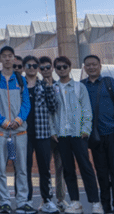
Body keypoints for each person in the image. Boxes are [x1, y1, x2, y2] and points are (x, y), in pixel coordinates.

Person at [51, 56, 102, 214]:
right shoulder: (53, 88)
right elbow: (51, 112)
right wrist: (53, 131)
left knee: (86, 167)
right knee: (68, 170)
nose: (62, 69)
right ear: (55, 69)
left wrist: (86, 129)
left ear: (69, 67)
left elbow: (87, 109)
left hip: (78, 134)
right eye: (58, 67)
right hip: (62, 135)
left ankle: (95, 203)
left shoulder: (80, 87)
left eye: (64, 66)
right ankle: (75, 203)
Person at [0, 46, 32, 214]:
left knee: (21, 168)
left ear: (14, 59)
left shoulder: (20, 79)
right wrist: (3, 122)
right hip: (0, 130)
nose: (7, 59)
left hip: (20, 130)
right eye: (4, 56)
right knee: (0, 168)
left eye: (10, 56)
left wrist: (19, 120)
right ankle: (4, 201)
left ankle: (22, 201)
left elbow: (26, 102)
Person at [81, 55, 114, 214]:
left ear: (100, 66)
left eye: (94, 64)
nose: (91, 67)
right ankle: (105, 206)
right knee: (101, 172)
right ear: (84, 68)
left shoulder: (109, 82)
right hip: (94, 136)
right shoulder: (82, 85)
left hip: (112, 132)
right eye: (88, 65)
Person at [22, 56, 58, 214]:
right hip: (23, 133)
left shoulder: (44, 85)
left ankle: (47, 200)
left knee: (45, 169)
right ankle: (27, 200)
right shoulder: (19, 85)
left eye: (34, 65)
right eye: (28, 65)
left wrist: (49, 87)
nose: (32, 68)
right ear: (24, 67)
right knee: (25, 168)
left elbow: (53, 106)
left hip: (42, 133)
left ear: (38, 68)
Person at [40, 55, 67, 212]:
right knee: (45, 168)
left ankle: (61, 199)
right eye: (42, 68)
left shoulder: (60, 85)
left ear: (52, 68)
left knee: (61, 168)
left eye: (47, 67)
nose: (45, 70)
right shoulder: (38, 87)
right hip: (45, 133)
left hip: (61, 133)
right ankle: (45, 200)